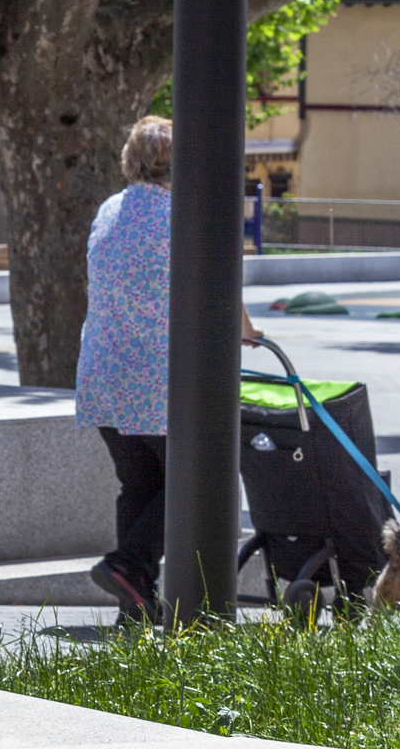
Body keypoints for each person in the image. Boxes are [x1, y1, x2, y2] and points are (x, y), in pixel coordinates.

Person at [75, 115, 261, 623]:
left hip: (105, 372)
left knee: (137, 484)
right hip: (160, 375)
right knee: (187, 479)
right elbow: (223, 281)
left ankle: (133, 600)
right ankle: (128, 565)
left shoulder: (111, 208)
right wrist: (247, 331)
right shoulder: (188, 212)